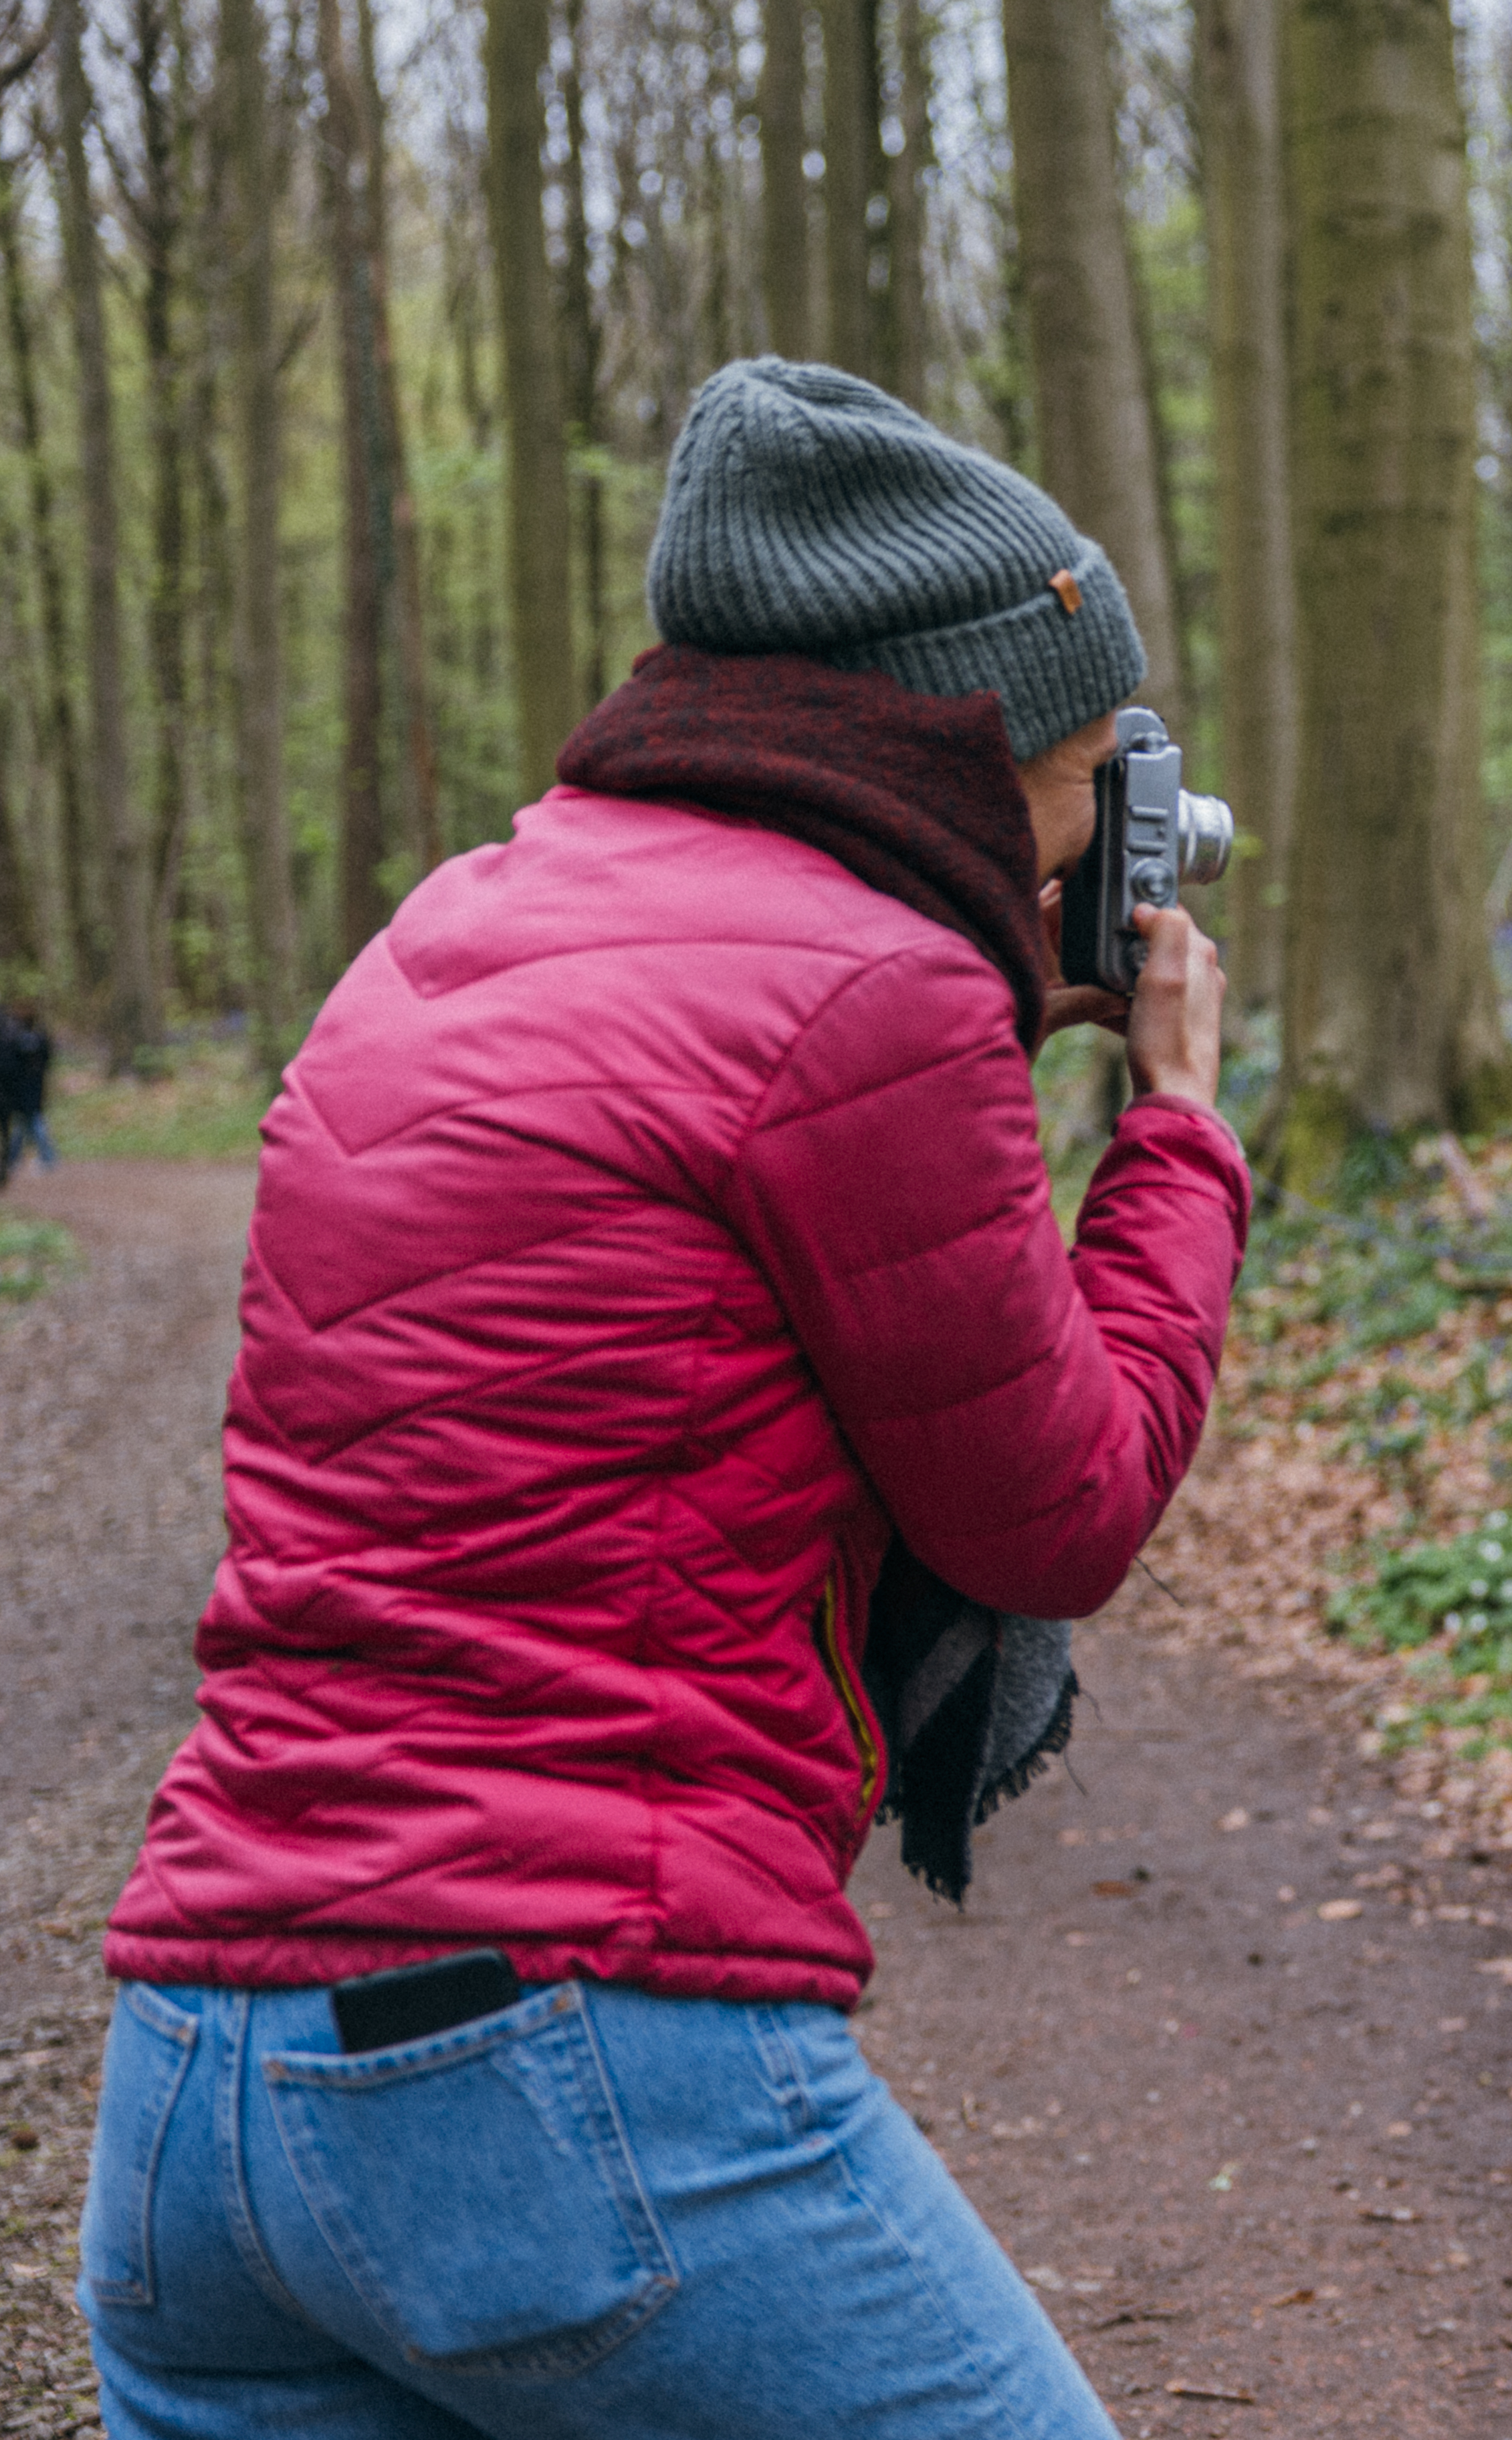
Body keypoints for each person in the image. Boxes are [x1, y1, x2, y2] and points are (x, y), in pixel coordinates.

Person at [79, 359, 1246, 2439]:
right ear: (975, 752)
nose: (1109, 828)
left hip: (199, 2080)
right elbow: (1056, 1509)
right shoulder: (872, 990)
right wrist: (1171, 1130)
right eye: (1091, 772)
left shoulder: (448, 922)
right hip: (553, 2055)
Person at [0, 1005, 51, 1183]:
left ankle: (47, 1156)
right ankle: (12, 1159)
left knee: (30, 1122)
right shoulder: (28, 1038)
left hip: (23, 1091)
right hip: (23, 1090)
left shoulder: (19, 1039)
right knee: (23, 1125)